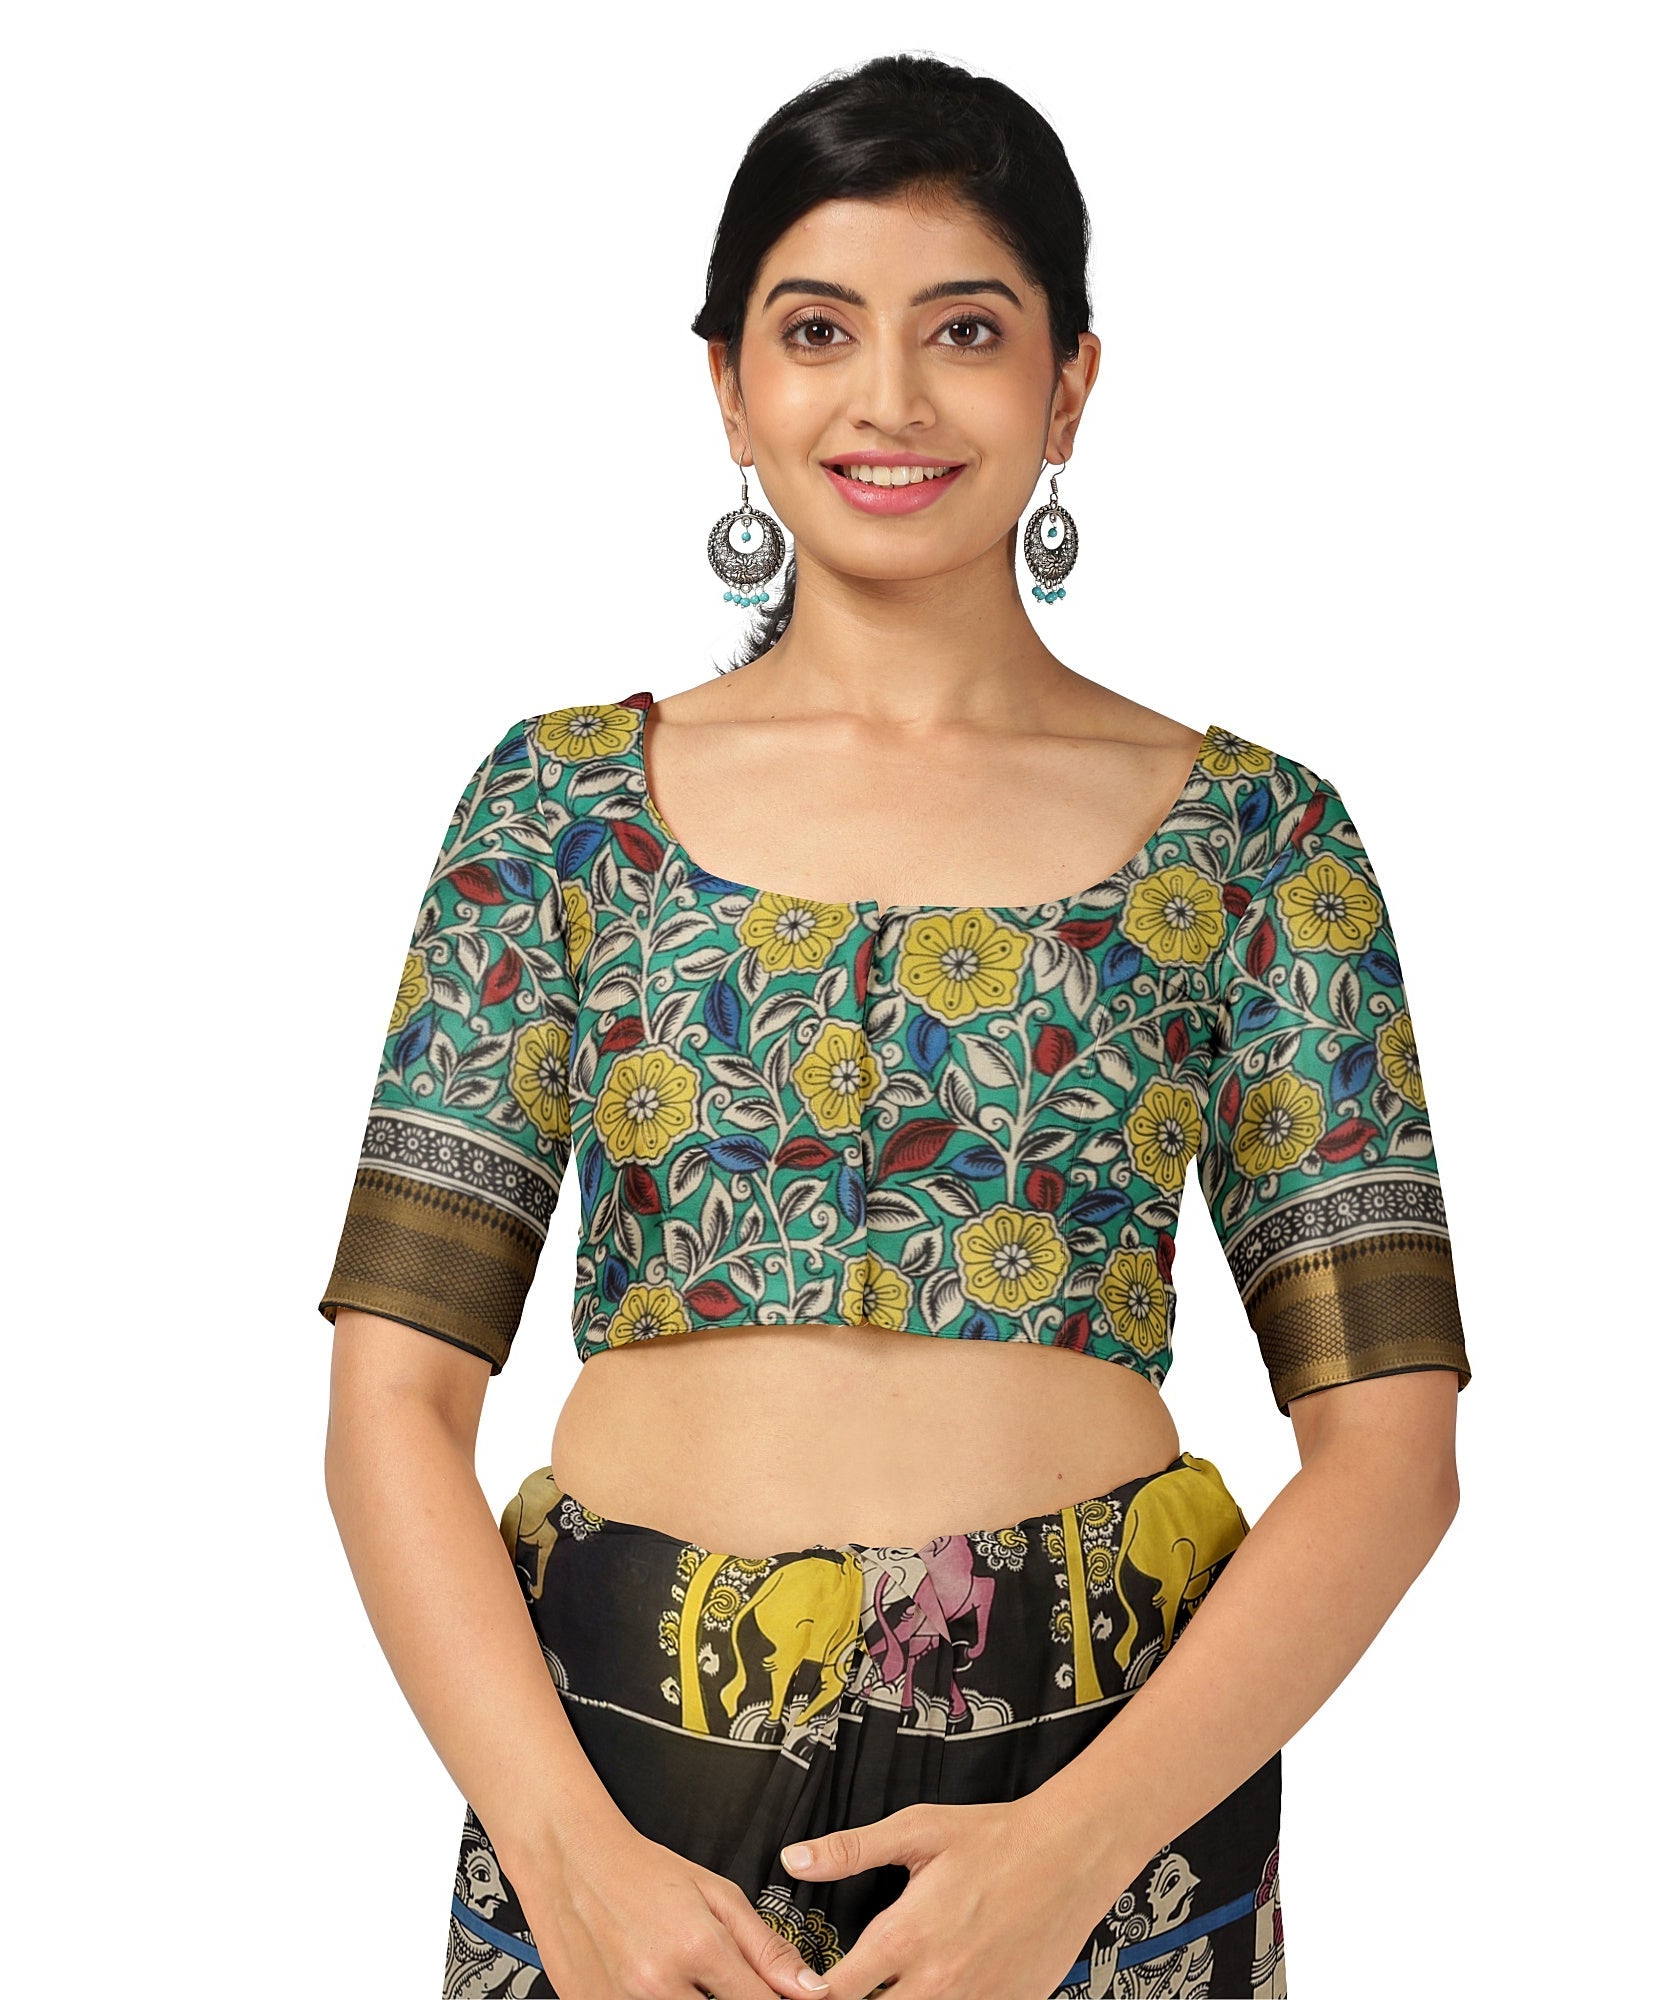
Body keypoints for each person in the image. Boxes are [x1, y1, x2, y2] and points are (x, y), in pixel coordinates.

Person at [317, 52, 1471, 2000]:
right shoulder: (555, 808)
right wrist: (563, 1849)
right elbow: (391, 1405)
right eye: (816, 329)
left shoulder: (1260, 839)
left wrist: (1070, 1855)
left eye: (966, 330)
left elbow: (1391, 1448)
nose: (890, 399)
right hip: (617, 1792)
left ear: (1069, 385)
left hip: (1094, 1781)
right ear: (728, 387)